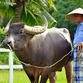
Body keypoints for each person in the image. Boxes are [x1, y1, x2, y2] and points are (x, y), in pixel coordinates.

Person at [66, 8, 83, 83]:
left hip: (82, 54)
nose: (75, 17)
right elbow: (75, 44)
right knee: (77, 77)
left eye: (77, 15)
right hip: (77, 54)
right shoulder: (78, 28)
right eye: (75, 15)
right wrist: (69, 58)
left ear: (82, 16)